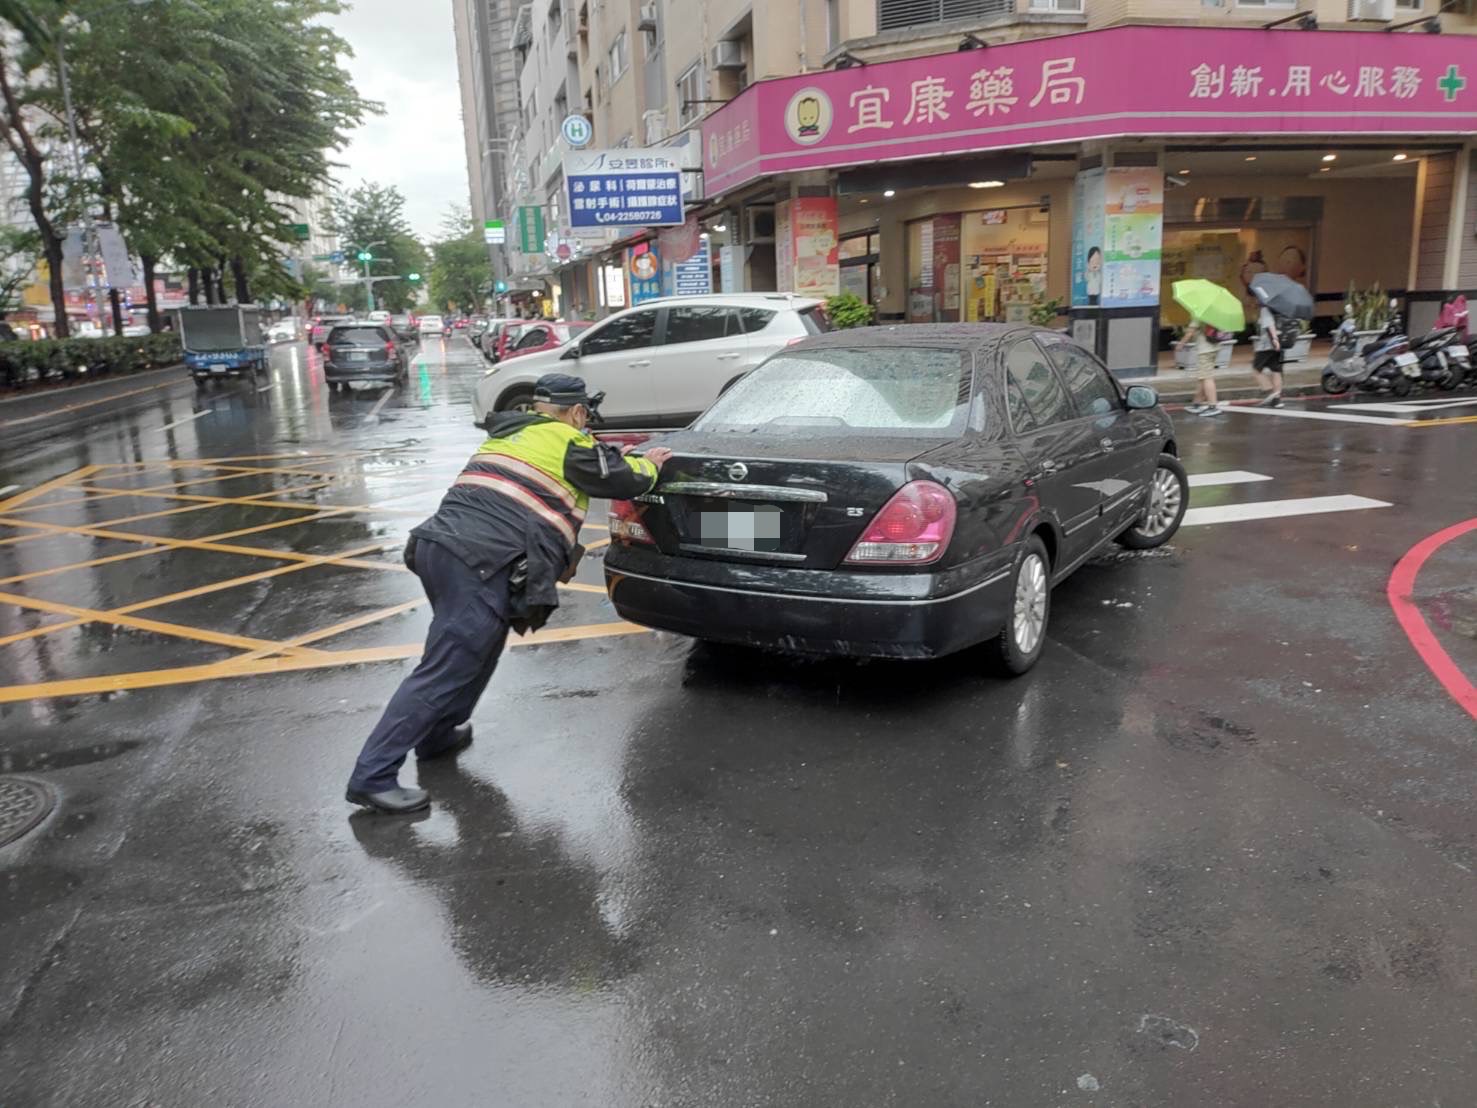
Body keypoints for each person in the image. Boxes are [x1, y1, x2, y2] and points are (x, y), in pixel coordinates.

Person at [346, 373, 673, 814]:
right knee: (448, 664)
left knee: (478, 649)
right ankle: (373, 776)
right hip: (479, 560)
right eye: (586, 417)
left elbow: (592, 467)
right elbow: (625, 479)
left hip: (439, 549)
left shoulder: (516, 434)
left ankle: (438, 734)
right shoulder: (568, 440)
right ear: (577, 412)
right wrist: (650, 463)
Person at [1179, 318, 1222, 418]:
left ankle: (1213, 406)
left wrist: (1180, 344)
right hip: (1215, 348)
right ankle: (1196, 404)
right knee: (1202, 378)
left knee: (1207, 378)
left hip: (1205, 350)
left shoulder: (1199, 315)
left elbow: (1190, 333)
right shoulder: (1214, 313)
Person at [1252, 302, 1284, 407]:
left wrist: (1274, 339)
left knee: (1256, 369)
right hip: (1281, 341)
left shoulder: (1265, 308)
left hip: (1267, 345)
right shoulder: (1281, 306)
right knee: (1276, 370)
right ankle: (1277, 399)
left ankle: (1271, 392)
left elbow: (1269, 324)